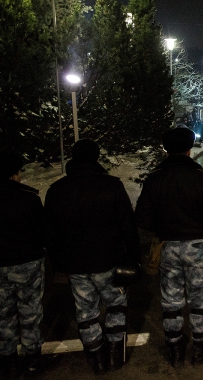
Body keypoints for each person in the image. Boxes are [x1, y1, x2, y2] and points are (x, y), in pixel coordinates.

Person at [44, 140, 141, 374]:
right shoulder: (112, 186)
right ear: (97, 158)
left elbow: (50, 233)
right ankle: (116, 354)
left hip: (76, 264)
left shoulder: (57, 190)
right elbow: (127, 225)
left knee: (85, 311)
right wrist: (133, 257)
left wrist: (58, 264)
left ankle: (97, 356)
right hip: (109, 260)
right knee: (116, 305)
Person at [136, 127, 203, 366]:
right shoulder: (201, 178)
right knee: (199, 299)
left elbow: (142, 218)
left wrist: (163, 227)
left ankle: (174, 349)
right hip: (197, 247)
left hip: (168, 245)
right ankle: (199, 349)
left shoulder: (155, 179)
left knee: (171, 301)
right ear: (189, 149)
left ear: (165, 150)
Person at [0, 151, 45, 377]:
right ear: (15, 174)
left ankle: (7, 359)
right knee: (30, 312)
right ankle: (32, 358)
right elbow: (41, 232)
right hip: (27, 263)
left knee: (3, 315)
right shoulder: (29, 198)